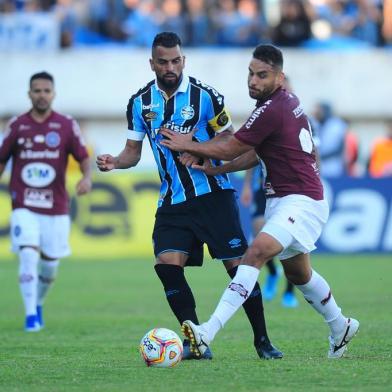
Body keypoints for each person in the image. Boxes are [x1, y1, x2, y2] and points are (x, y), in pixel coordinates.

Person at [160, 44, 359, 359]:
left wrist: (190, 144)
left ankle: (206, 332)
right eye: (251, 74)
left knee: (254, 254)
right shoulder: (283, 103)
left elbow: (232, 146)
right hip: (283, 200)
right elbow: (252, 153)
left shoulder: (272, 109)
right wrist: (220, 168)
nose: (253, 81)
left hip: (301, 200)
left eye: (262, 75)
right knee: (299, 274)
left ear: (279, 77)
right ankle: (341, 325)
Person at [96, 32, 282, 360]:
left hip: (213, 195)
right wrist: (115, 162)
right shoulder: (139, 103)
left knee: (239, 267)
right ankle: (197, 340)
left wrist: (198, 148)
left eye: (176, 60)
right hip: (172, 200)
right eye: (164, 61)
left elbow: (230, 140)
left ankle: (262, 341)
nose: (171, 67)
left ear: (184, 60)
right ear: (152, 63)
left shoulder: (206, 96)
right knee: (167, 263)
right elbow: (132, 153)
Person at [0, 71, 92, 332]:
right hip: (24, 204)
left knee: (50, 265)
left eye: (46, 90)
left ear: (53, 93)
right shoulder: (17, 125)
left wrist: (87, 178)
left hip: (56, 206)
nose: (42, 95)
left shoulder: (65, 124)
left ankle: (38, 303)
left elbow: (83, 156)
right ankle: (30, 317)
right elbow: (2, 159)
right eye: (37, 90)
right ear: (29, 93)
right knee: (28, 254)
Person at [240, 165, 298, 308]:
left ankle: (289, 293)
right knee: (258, 237)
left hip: (290, 191)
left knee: (289, 242)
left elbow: (315, 157)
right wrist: (246, 185)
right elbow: (251, 155)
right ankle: (273, 272)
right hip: (263, 189)